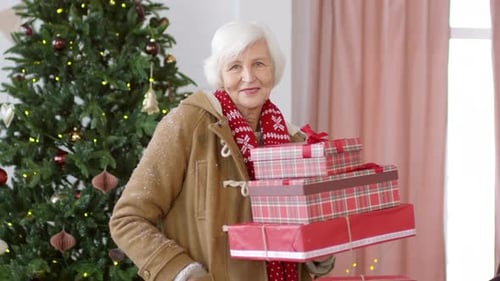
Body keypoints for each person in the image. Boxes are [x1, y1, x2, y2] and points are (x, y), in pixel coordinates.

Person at [109, 21, 335, 281]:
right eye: (235, 66)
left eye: (259, 63)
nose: (249, 77)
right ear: (220, 74)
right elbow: (128, 219)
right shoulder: (188, 123)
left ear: (274, 68)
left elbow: (306, 233)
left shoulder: (294, 140)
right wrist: (185, 274)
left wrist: (320, 247)